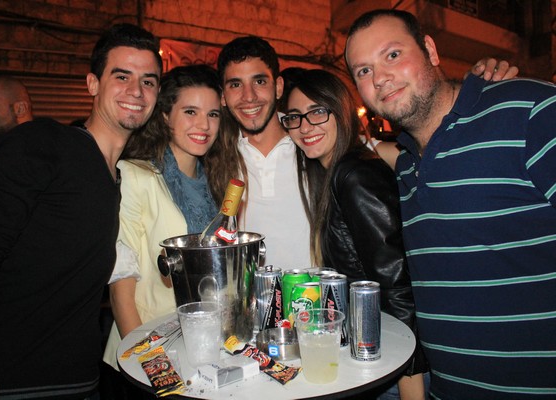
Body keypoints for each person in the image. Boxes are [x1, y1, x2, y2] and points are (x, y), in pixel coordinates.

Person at [345, 9, 556, 399]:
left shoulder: (530, 110)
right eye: (363, 71)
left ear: (430, 49)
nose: (380, 77)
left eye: (392, 55)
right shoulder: (407, 164)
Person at [0, 23, 161, 400]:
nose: (136, 90)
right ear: (92, 84)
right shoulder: (42, 143)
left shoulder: (118, 177)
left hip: (82, 382)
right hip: (10, 386)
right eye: (122, 76)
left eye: (148, 81)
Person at [281, 67, 428, 399]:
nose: (305, 127)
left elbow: (396, 283)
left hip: (391, 361)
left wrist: (411, 384)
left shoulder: (355, 175)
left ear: (341, 112)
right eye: (294, 117)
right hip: (369, 350)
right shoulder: (332, 173)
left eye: (317, 112)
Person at [102, 64, 238, 371]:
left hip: (202, 348)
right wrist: (151, 365)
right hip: (145, 350)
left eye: (213, 114)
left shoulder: (218, 184)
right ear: (165, 116)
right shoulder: (135, 175)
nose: (204, 125)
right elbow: (121, 288)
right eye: (190, 112)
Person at [217, 36, 311, 269]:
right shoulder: (216, 156)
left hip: (314, 290)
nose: (249, 96)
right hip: (247, 291)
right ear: (223, 96)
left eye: (259, 81)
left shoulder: (311, 140)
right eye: (236, 85)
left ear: (278, 87)